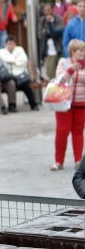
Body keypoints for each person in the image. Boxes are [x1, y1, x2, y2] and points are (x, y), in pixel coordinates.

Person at [51, 39, 85, 171]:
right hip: (64, 103)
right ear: (72, 52)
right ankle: (59, 161)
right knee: (62, 131)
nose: (83, 53)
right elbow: (59, 80)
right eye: (80, 50)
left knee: (78, 131)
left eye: (84, 50)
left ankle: (78, 161)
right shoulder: (63, 63)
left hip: (81, 103)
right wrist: (70, 70)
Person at [0, 35, 39, 111]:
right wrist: (15, 59)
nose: (11, 46)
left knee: (27, 86)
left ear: (15, 44)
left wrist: (11, 61)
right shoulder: (1, 52)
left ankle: (34, 105)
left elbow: (23, 60)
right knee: (11, 84)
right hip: (9, 77)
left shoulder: (20, 50)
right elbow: (3, 60)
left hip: (20, 76)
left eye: (12, 44)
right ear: (5, 44)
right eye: (9, 44)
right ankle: (12, 105)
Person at [39, 2, 65, 81]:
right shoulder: (42, 20)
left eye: (49, 10)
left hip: (59, 50)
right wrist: (51, 33)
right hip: (48, 52)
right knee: (51, 75)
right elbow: (40, 35)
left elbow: (58, 33)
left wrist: (47, 32)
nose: (47, 12)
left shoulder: (58, 18)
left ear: (52, 10)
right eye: (45, 10)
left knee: (62, 75)